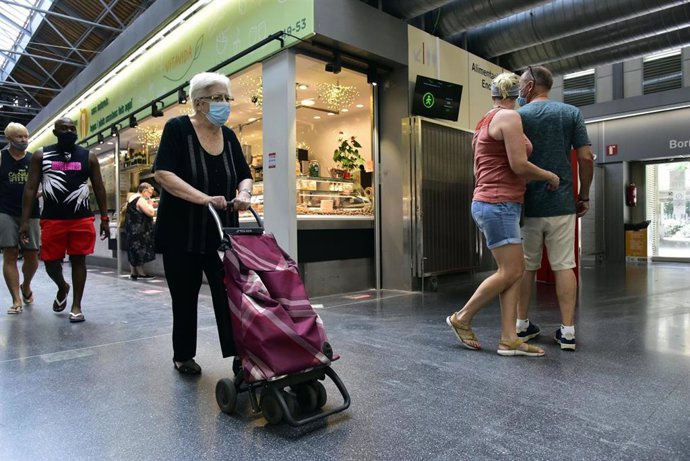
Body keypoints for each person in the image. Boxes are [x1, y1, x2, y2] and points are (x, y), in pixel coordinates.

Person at [446, 72, 559, 356]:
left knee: (511, 272)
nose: (525, 90)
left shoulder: (486, 119)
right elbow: (519, 165)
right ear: (514, 92)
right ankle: (462, 317)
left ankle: (509, 338)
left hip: (495, 202)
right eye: (521, 87)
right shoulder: (510, 118)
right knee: (512, 271)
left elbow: (480, 169)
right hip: (498, 204)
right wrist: (549, 176)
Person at [153, 71, 252, 375]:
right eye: (216, 98)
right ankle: (183, 355)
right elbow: (163, 174)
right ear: (198, 103)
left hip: (221, 233)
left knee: (231, 294)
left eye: (226, 98)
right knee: (184, 296)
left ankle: (241, 355)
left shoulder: (231, 136)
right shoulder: (177, 129)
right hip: (180, 232)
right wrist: (204, 198)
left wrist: (245, 192)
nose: (224, 103)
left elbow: (244, 173)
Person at [515, 65, 595, 351]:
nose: (519, 90)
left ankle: (522, 326)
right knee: (564, 266)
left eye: (522, 83)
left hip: (528, 204)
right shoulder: (571, 113)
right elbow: (586, 158)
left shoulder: (518, 117)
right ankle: (568, 332)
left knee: (526, 267)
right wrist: (583, 195)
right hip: (562, 203)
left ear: (532, 84)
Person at [20, 117, 109, 323]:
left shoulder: (89, 157)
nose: (69, 131)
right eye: (64, 128)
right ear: (55, 132)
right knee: (51, 262)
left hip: (81, 218)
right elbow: (31, 188)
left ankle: (76, 306)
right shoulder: (41, 155)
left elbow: (99, 187)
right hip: (52, 219)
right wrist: (25, 221)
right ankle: (62, 286)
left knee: (79, 259)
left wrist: (104, 217)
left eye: (72, 128)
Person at [1, 123, 40, 314]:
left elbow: (42, 185)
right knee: (10, 254)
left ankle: (26, 286)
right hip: (6, 211)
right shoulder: (1, 157)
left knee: (32, 256)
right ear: (9, 138)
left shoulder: (34, 159)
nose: (24, 140)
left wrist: (38, 194)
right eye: (19, 137)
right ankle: (16, 300)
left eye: (26, 136)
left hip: (31, 213)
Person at [124, 182, 156, 279]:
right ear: (145, 191)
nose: (150, 195)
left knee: (133, 250)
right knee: (139, 250)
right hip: (139, 230)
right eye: (150, 193)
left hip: (132, 230)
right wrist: (150, 204)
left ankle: (134, 273)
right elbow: (151, 213)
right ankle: (141, 273)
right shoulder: (140, 199)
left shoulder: (131, 199)